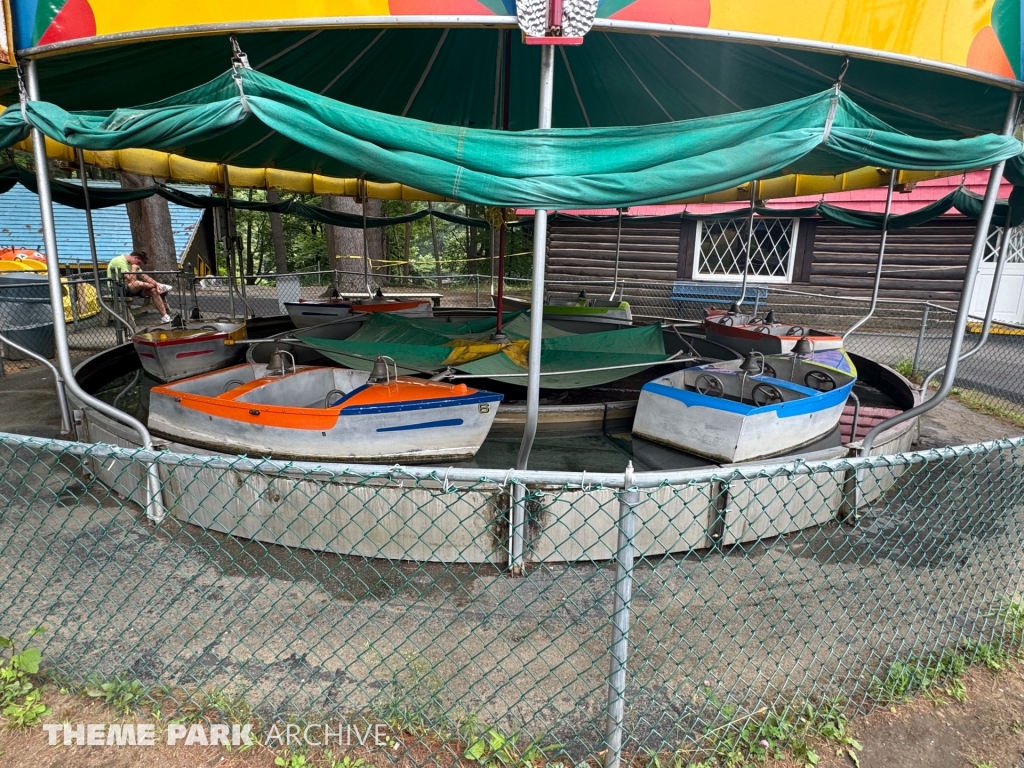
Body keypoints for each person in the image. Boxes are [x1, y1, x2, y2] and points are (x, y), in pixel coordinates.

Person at [107, 250, 174, 324]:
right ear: (135, 258)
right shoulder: (119, 261)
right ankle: (161, 287)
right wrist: (134, 269)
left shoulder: (133, 264)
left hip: (131, 289)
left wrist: (156, 284)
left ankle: (165, 317)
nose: (138, 265)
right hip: (118, 288)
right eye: (138, 262)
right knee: (137, 283)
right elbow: (131, 281)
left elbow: (145, 276)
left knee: (154, 291)